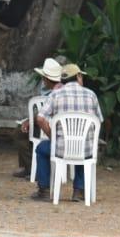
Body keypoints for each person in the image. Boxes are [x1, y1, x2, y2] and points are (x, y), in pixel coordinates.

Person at [31, 59, 103, 201]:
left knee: (41, 148)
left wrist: (52, 137)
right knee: (85, 149)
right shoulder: (91, 95)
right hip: (85, 150)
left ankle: (44, 191)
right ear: (78, 77)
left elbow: (39, 118)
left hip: (60, 149)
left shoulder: (55, 95)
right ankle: (79, 191)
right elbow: (98, 121)